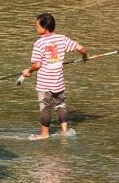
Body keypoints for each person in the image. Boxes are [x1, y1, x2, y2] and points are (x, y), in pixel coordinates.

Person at [20, 12, 88, 140]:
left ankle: (45, 134)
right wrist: (85, 57)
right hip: (59, 82)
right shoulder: (62, 38)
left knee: (45, 107)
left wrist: (28, 71)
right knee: (61, 105)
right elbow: (82, 48)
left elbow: (37, 65)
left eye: (37, 26)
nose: (36, 28)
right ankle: (65, 131)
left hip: (45, 83)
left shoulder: (39, 44)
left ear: (44, 28)